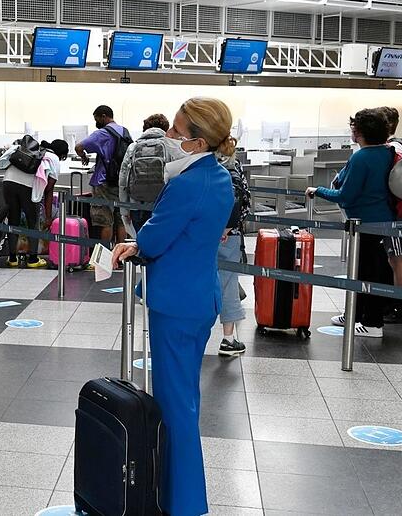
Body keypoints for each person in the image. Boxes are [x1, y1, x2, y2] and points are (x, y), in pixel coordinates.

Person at [111, 97, 236, 516]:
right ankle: (176, 496)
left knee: (175, 404)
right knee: (184, 398)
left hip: (177, 304)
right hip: (200, 296)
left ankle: (183, 503)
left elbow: (155, 238)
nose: (170, 137)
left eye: (177, 132)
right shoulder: (218, 176)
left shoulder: (187, 184)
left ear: (198, 141)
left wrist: (134, 244)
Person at [306, 108, 395, 337]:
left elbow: (346, 195)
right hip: (383, 219)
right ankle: (357, 314)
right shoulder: (387, 152)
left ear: (359, 131)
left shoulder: (362, 157)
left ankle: (372, 323)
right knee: (372, 268)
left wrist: (318, 190)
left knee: (365, 272)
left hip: (364, 221)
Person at [75, 105, 131, 243]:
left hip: (104, 181)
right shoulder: (125, 132)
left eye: (97, 119)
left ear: (104, 116)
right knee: (121, 220)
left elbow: (79, 147)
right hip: (122, 180)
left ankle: (105, 257)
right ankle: (120, 258)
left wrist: (83, 156)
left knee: (106, 221)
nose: (97, 123)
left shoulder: (103, 133)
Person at [380, 106, 402, 324]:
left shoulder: (392, 148)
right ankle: (395, 303)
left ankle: (401, 308)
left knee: (396, 258)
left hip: (396, 214)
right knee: (393, 258)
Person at [217, 152, 251, 356]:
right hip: (229, 236)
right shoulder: (232, 166)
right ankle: (228, 340)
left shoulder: (198, 162)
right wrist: (228, 228)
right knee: (228, 284)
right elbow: (244, 202)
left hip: (200, 234)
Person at [0, 136, 48, 269]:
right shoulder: (41, 154)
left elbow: (0, 163)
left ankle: (12, 258)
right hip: (27, 186)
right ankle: (33, 259)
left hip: (8, 182)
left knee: (13, 219)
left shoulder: (15, 148)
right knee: (32, 221)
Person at [118, 113, 171, 238]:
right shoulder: (170, 146)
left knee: (140, 244)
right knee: (161, 242)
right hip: (163, 204)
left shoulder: (133, 147)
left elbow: (123, 181)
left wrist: (124, 210)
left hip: (137, 204)